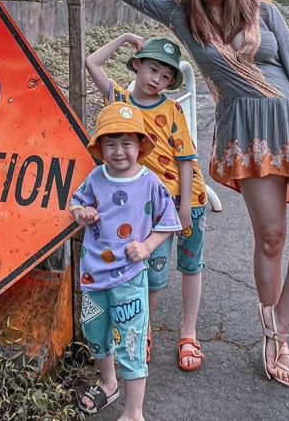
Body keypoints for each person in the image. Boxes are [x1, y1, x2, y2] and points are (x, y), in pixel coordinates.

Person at [112, 0, 289, 389]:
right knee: (272, 236)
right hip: (246, 134)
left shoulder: (265, 9)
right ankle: (276, 339)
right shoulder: (181, 15)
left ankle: (278, 321)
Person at [85, 34, 208, 371]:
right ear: (137, 65)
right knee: (151, 274)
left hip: (187, 199)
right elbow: (91, 63)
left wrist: (184, 208)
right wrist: (124, 39)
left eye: (166, 76)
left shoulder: (172, 109)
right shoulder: (120, 101)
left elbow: (186, 158)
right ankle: (143, 331)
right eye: (152, 69)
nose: (158, 79)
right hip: (148, 210)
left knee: (190, 266)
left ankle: (189, 332)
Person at [70, 101, 181, 419]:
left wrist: (146, 247)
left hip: (130, 278)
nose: (119, 151)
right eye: (111, 143)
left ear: (140, 145)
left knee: (131, 341)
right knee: (94, 332)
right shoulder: (95, 177)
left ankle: (134, 411)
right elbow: (77, 203)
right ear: (101, 147)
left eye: (127, 143)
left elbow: (167, 221)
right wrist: (83, 214)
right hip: (93, 275)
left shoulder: (149, 182)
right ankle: (108, 383)